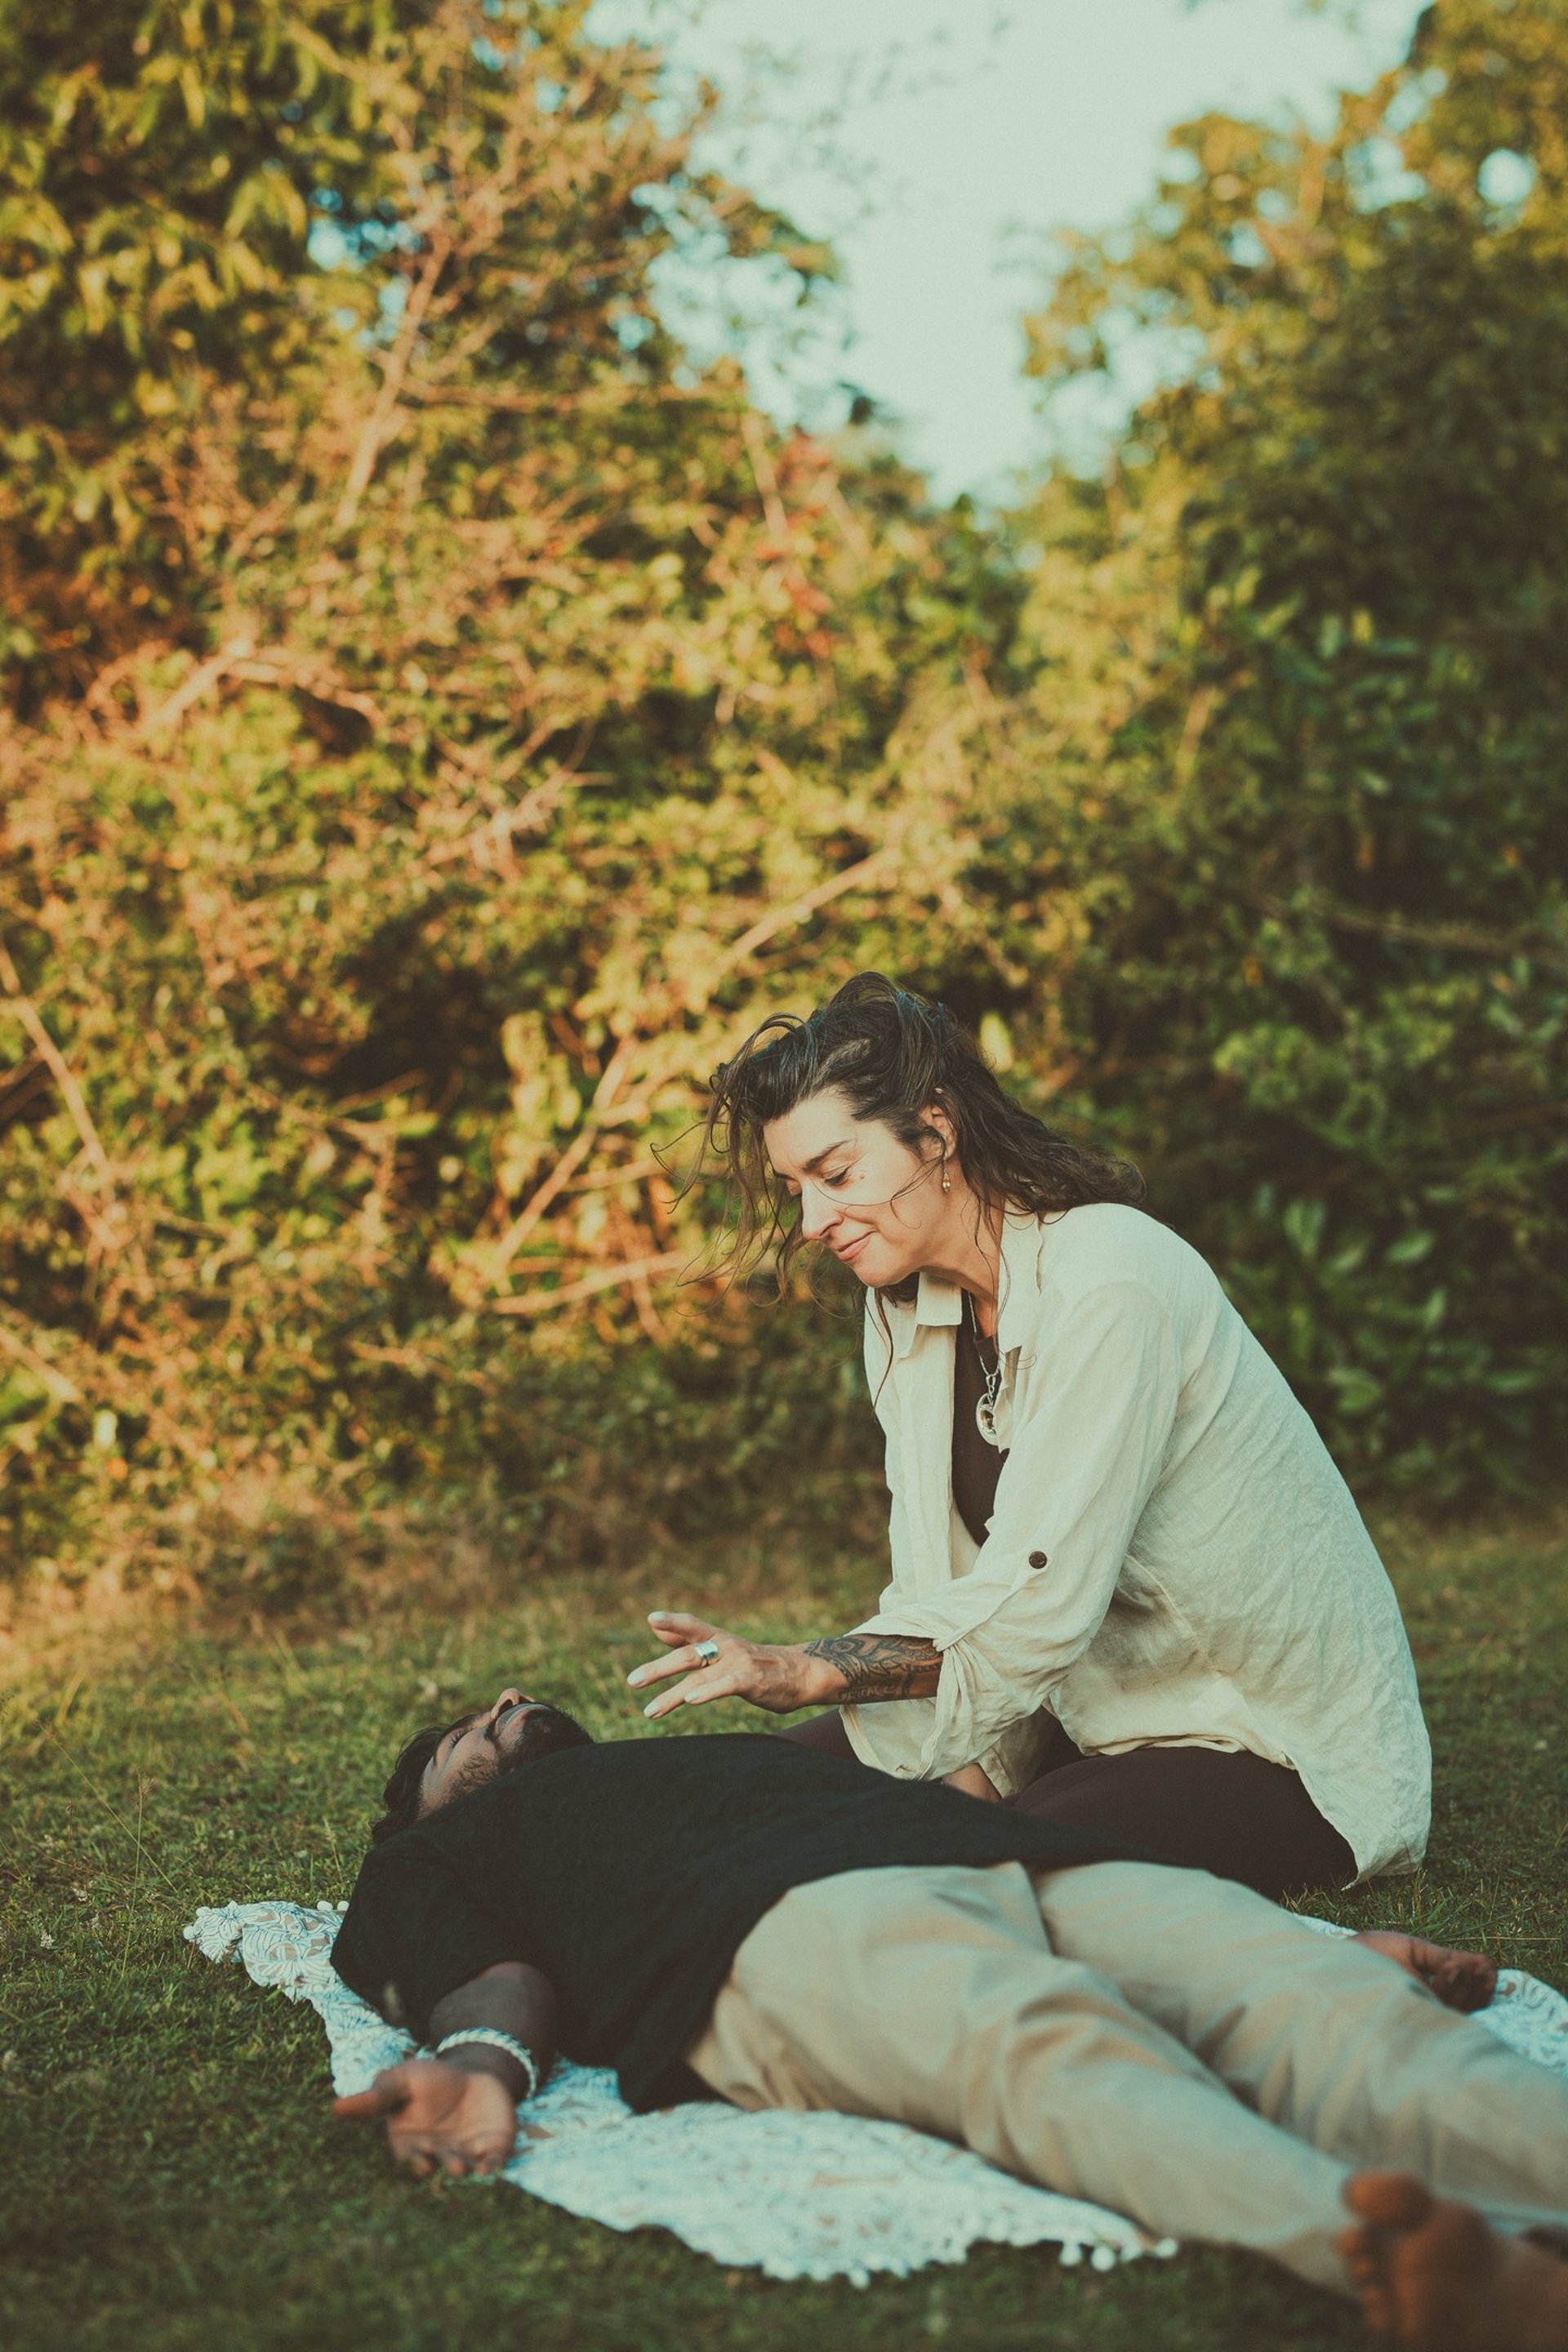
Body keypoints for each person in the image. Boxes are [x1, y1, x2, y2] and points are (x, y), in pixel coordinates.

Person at [332, 1693, 1567, 2352]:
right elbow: (492, 1978)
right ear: (422, 1814)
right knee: (1042, 2048)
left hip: (1014, 1860)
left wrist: (1312, 1942)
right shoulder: (434, 1860)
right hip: (771, 1931)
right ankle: (1447, 2275)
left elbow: (966, 1760)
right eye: (458, 1740)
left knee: (1328, 2006)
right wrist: (483, 2063)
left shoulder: (721, 1755)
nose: (500, 1703)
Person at [624, 973, 1432, 1900]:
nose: (810, 1223)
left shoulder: (1112, 1278)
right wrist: (950, 1764)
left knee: (950, 1871)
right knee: (771, 1791)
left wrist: (816, 1670)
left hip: (1263, 1743)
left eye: (836, 1175)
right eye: (795, 1188)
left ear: (935, 1133)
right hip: (1078, 1715)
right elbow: (939, 1584)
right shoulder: (902, 1310)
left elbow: (1043, 1603)